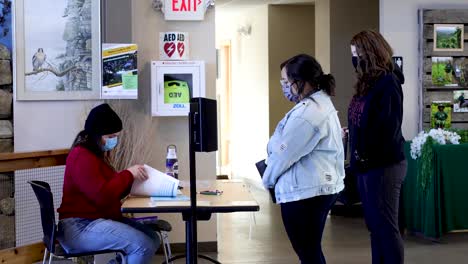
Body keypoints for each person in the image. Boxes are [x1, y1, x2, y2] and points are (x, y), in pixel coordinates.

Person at [262, 54, 345, 264]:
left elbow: (283, 154)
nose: (284, 87)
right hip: (314, 189)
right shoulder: (319, 104)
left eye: (286, 82)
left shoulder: (308, 114)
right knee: (310, 251)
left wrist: (267, 180)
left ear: (300, 82)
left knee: (308, 253)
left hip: (305, 194)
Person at [57, 103, 160, 264]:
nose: (115, 141)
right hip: (79, 227)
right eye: (110, 136)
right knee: (143, 244)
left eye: (116, 136)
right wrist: (128, 173)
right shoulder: (81, 157)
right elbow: (102, 196)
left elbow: (111, 189)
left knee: (152, 238)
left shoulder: (96, 156)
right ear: (96, 135)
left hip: (95, 220)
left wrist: (133, 180)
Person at [348, 30, 406, 264]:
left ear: (371, 53)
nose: (354, 59)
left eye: (357, 54)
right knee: (375, 227)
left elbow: (387, 129)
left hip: (383, 166)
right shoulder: (367, 83)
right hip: (367, 165)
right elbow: (364, 119)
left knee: (386, 228)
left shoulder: (388, 83)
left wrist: (365, 148)